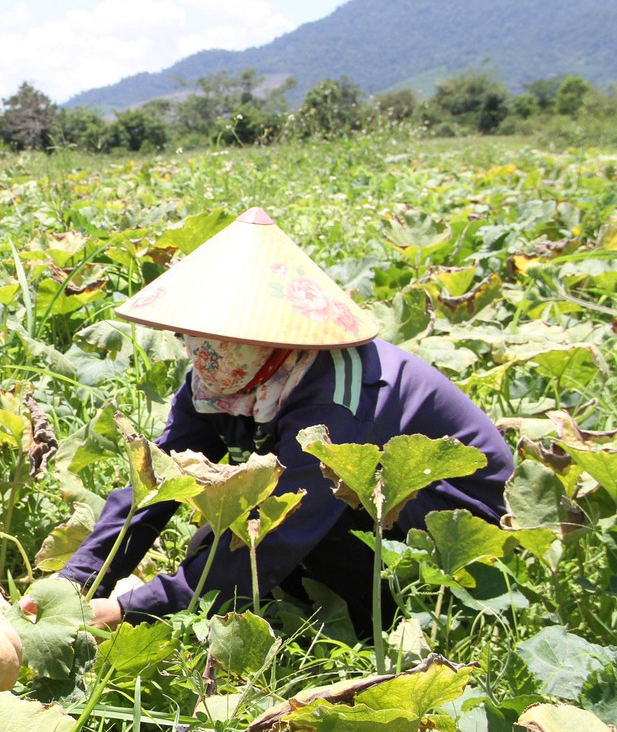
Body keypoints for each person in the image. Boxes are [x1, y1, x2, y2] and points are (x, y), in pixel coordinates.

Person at [53, 207, 513, 634]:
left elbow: (283, 524)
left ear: (274, 337)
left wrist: (130, 610)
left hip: (446, 527)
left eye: (225, 338)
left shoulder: (341, 396)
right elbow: (158, 479)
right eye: (189, 336)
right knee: (221, 542)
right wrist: (78, 582)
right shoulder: (219, 380)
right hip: (351, 504)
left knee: (271, 535)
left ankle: (380, 624)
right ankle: (276, 597)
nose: (203, 352)